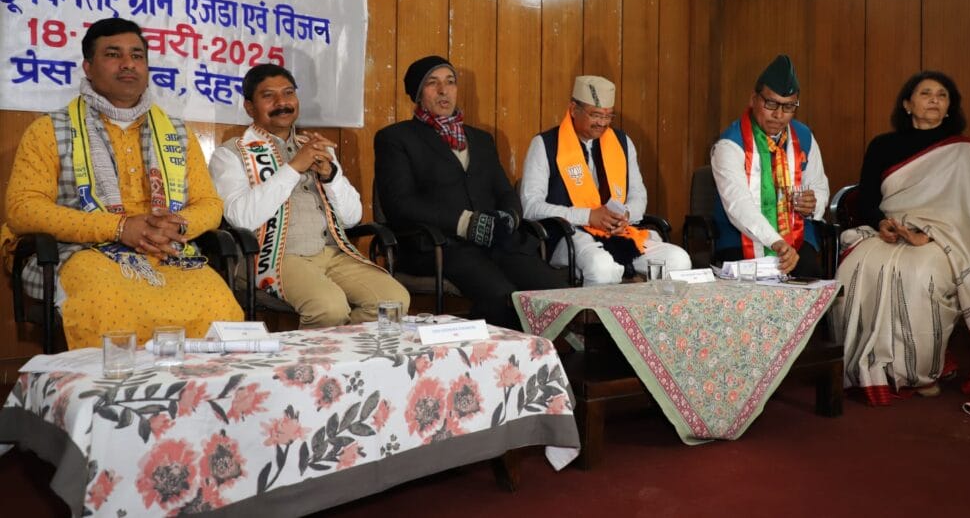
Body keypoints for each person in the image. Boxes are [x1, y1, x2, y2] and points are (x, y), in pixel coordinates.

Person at [0, 17, 243, 349]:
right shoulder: (49, 130)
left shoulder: (175, 132)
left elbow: (209, 204)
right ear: (88, 66)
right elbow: (23, 209)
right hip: (85, 254)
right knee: (113, 309)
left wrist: (174, 226)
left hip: (169, 251)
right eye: (113, 54)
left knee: (219, 306)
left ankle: (203, 399)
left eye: (138, 55)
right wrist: (118, 228)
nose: (129, 64)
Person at [831, 71, 970, 404]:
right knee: (855, 268)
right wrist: (883, 224)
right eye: (925, 93)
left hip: (944, 240)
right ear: (907, 104)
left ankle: (921, 371)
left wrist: (926, 233)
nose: (934, 99)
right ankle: (864, 367)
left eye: (942, 95)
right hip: (888, 229)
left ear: (949, 109)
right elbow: (868, 199)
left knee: (920, 275)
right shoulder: (882, 145)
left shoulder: (963, 151)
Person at [208, 64, 409, 327]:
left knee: (394, 300)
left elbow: (352, 218)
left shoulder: (315, 147)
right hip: (274, 257)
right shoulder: (231, 153)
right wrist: (293, 168)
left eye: (288, 93)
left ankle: (343, 360)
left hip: (332, 253)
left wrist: (330, 176)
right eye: (268, 96)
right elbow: (241, 218)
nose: (282, 102)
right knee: (329, 308)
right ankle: (312, 366)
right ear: (249, 107)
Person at [374, 55, 565, 328]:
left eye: (450, 82)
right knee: (502, 297)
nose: (444, 91)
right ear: (417, 94)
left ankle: (544, 357)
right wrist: (465, 223)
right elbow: (400, 204)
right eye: (433, 84)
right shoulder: (396, 138)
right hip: (440, 245)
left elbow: (505, 191)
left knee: (554, 291)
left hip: (496, 241)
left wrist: (509, 217)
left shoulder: (480, 139)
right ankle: (484, 361)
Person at [520, 75, 691, 284]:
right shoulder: (545, 144)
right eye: (595, 115)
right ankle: (596, 318)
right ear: (574, 109)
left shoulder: (621, 142)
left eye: (608, 116)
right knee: (603, 266)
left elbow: (638, 194)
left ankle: (648, 317)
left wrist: (625, 215)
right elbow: (530, 207)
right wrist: (588, 216)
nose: (602, 123)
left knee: (678, 260)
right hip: (569, 234)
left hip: (621, 233)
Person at [710, 54, 830, 277]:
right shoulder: (730, 144)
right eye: (771, 104)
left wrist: (813, 204)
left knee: (808, 274)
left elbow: (820, 186)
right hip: (742, 239)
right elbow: (739, 205)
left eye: (788, 107)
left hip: (797, 237)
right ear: (753, 99)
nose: (779, 115)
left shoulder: (804, 137)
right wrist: (776, 243)